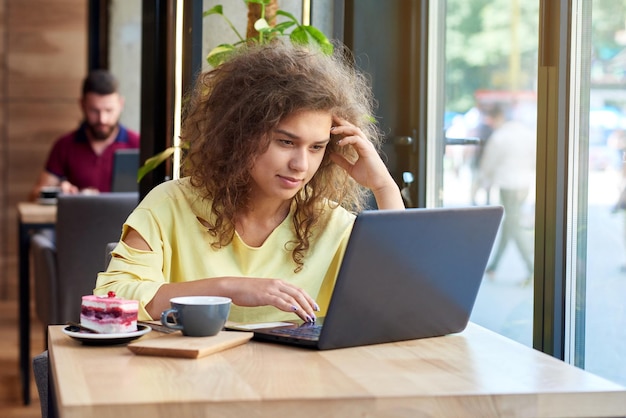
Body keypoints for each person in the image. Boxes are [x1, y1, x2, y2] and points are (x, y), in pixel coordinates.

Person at [95, 41, 405, 324]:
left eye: (316, 147)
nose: (301, 165)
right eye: (285, 142)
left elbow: (396, 296)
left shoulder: (330, 224)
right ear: (241, 134)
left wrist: (384, 187)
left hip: (299, 382)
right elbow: (114, 299)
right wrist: (228, 289)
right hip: (186, 379)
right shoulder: (170, 205)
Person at [29, 69, 140, 201]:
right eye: (94, 111)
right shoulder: (64, 145)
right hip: (78, 220)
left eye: (109, 110)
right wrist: (59, 191)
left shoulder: (138, 144)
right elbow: (35, 195)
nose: (102, 119)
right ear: (82, 105)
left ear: (121, 105)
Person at [479, 104, 536, 285]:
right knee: (510, 223)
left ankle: (533, 269)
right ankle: (494, 266)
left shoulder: (500, 137)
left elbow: (488, 163)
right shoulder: (528, 134)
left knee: (514, 226)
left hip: (507, 185)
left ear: (498, 118)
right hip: (524, 184)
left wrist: (483, 182)